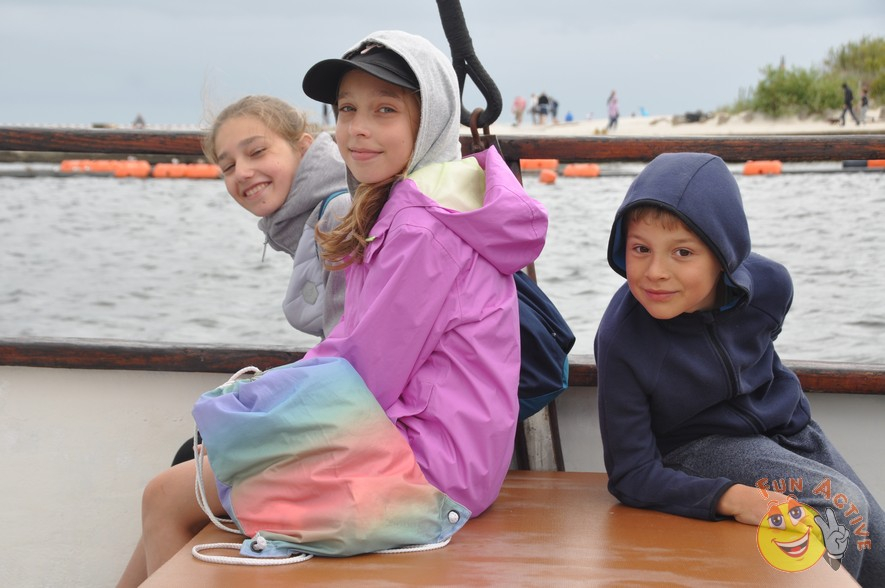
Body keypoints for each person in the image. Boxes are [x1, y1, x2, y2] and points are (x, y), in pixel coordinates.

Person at [116, 30, 547, 587]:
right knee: (188, 479)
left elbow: (364, 376)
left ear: (429, 121)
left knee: (168, 494)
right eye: (347, 110)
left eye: (384, 110)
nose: (358, 128)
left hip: (431, 473)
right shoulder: (411, 206)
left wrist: (241, 407)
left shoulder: (421, 231)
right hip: (440, 450)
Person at [595, 152, 884, 586]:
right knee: (838, 507)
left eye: (683, 252)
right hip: (696, 445)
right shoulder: (622, 339)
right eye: (640, 249)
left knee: (874, 535)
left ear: (723, 255)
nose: (655, 272)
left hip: (789, 430)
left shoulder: (770, 286)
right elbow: (631, 474)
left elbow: (761, 342)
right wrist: (732, 498)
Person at [202, 95, 350, 339]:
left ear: (303, 148)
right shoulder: (313, 221)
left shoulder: (340, 215)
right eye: (228, 167)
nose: (241, 172)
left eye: (257, 151)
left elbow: (353, 343)